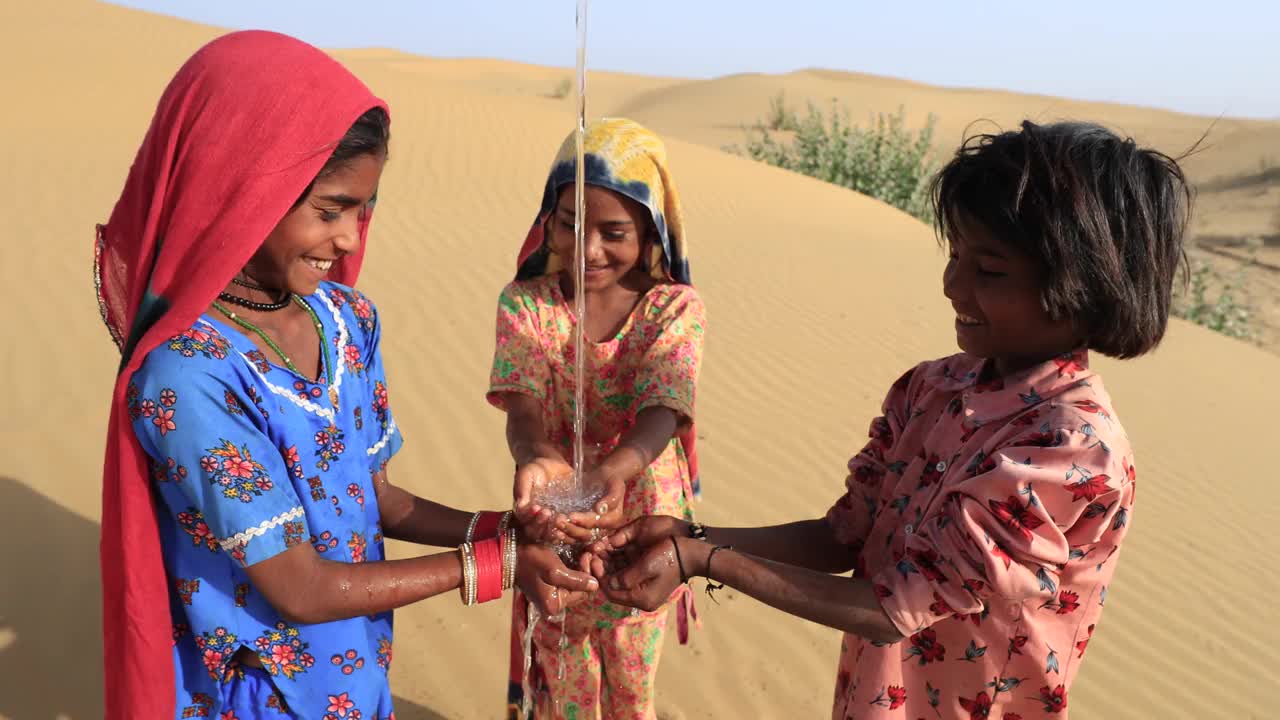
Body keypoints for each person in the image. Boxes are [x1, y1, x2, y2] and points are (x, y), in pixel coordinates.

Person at [592, 121, 1191, 719]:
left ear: (1082, 287)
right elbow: (841, 537)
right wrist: (690, 536)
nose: (952, 285)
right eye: (955, 254)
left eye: (990, 271)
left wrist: (700, 561)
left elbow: (891, 609)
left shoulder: (1071, 449)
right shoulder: (933, 387)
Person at [96, 31, 596, 720]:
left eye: (365, 209)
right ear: (241, 188)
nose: (350, 238)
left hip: (353, 670)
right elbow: (298, 586)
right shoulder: (188, 375)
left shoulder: (347, 321)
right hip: (259, 697)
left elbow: (374, 498)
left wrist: (507, 529)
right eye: (328, 210)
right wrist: (499, 565)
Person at [487, 118, 706, 719]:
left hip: (645, 526)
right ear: (548, 219)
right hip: (559, 521)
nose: (588, 250)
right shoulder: (526, 302)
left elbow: (666, 404)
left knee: (633, 689)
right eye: (570, 225)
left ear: (650, 230)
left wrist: (617, 467)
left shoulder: (673, 308)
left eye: (614, 232)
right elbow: (522, 403)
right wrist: (538, 454)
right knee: (564, 689)